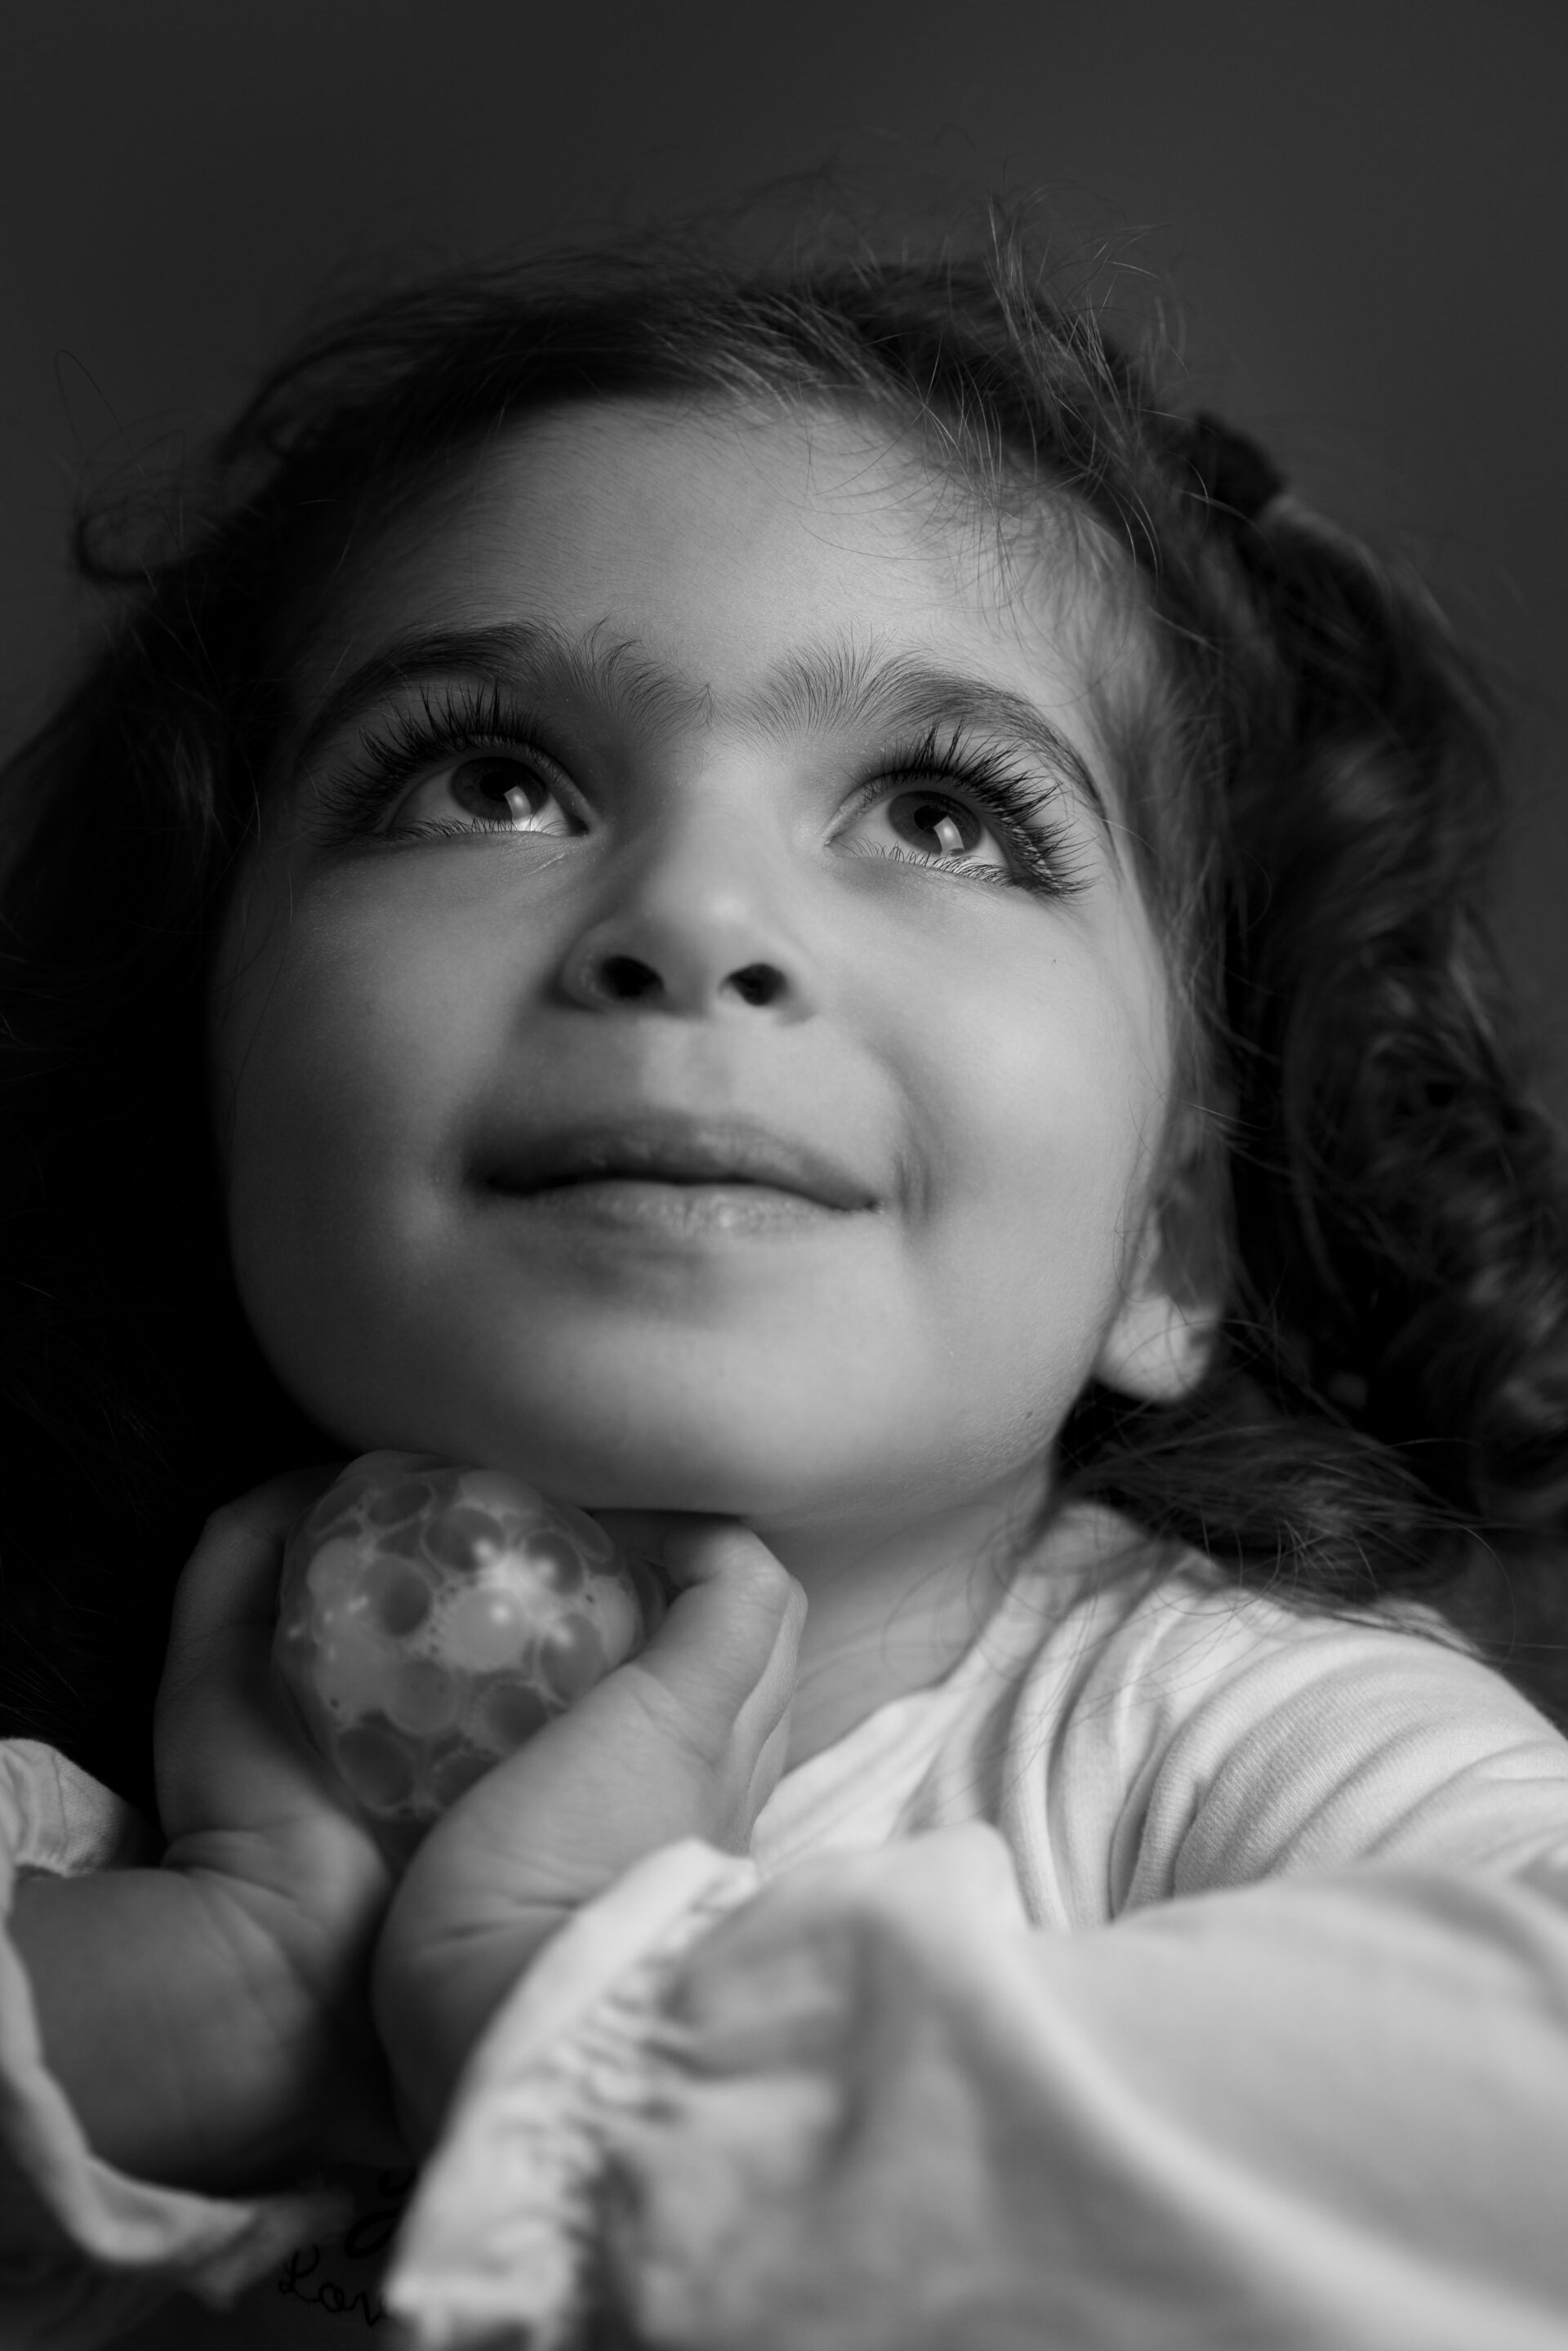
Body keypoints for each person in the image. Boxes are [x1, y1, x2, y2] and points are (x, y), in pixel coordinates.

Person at [3, 220, 1568, 2349]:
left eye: (942, 816)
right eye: (493, 781)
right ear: (200, 1088)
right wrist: (236, 1990)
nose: (697, 920)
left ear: (1169, 1233)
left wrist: (564, 1990)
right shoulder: (81, 1804)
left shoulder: (1235, 1755)